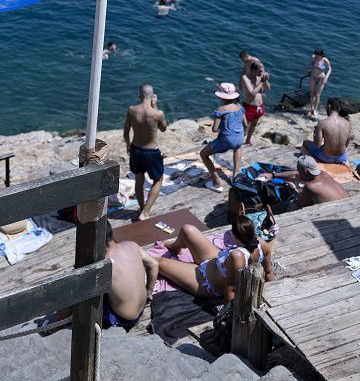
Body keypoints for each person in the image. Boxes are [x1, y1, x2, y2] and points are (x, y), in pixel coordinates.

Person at [156, 217, 275, 296]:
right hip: (214, 261)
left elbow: (231, 290)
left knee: (158, 262)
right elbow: (269, 272)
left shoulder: (237, 256)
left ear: (235, 236)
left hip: (205, 280)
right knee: (188, 230)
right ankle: (175, 247)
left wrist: (226, 316)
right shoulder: (262, 244)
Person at [101, 221, 159, 330]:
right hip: (141, 309)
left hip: (123, 319)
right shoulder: (130, 244)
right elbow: (154, 264)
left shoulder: (104, 265)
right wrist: (149, 291)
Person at [124, 84, 167, 219]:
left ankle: (142, 207)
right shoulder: (157, 113)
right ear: (152, 96)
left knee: (139, 178)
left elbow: (126, 131)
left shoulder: (131, 110)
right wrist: (155, 107)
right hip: (151, 152)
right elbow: (164, 128)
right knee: (158, 179)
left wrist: (128, 145)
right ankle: (145, 212)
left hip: (136, 149)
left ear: (139, 95)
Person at [200, 83, 245, 193]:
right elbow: (246, 124)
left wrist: (223, 127)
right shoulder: (240, 107)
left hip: (226, 140)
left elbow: (214, 129)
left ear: (221, 97)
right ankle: (235, 175)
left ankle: (216, 182)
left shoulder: (221, 109)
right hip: (239, 137)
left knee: (203, 154)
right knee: (238, 147)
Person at [261, 155, 347, 210]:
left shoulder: (311, 186)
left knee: (290, 207)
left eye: (298, 169)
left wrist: (294, 190)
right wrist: (273, 175)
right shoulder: (323, 174)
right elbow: (296, 175)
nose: (297, 170)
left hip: (336, 211)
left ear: (305, 171)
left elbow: (299, 204)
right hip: (346, 202)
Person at [302, 98, 350, 164]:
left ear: (329, 106)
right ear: (339, 109)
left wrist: (315, 133)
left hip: (325, 158)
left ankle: (310, 164)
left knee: (305, 143)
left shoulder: (322, 123)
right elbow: (346, 144)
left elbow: (317, 144)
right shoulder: (347, 123)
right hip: (341, 157)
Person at [241, 54, 271, 144]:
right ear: (253, 70)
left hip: (259, 106)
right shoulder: (245, 78)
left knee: (253, 125)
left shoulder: (260, 77)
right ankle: (238, 142)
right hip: (249, 105)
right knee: (244, 126)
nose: (261, 73)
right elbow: (252, 93)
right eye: (259, 71)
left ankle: (248, 140)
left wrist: (265, 80)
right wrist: (261, 82)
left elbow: (268, 89)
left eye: (262, 71)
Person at [304, 49, 332, 116]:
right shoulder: (313, 57)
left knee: (317, 95)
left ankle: (315, 110)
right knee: (312, 94)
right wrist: (306, 70)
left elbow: (330, 69)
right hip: (312, 77)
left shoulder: (325, 60)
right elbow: (309, 64)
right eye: (315, 55)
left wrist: (326, 78)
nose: (316, 57)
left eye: (317, 55)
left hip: (321, 78)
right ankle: (311, 108)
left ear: (321, 55)